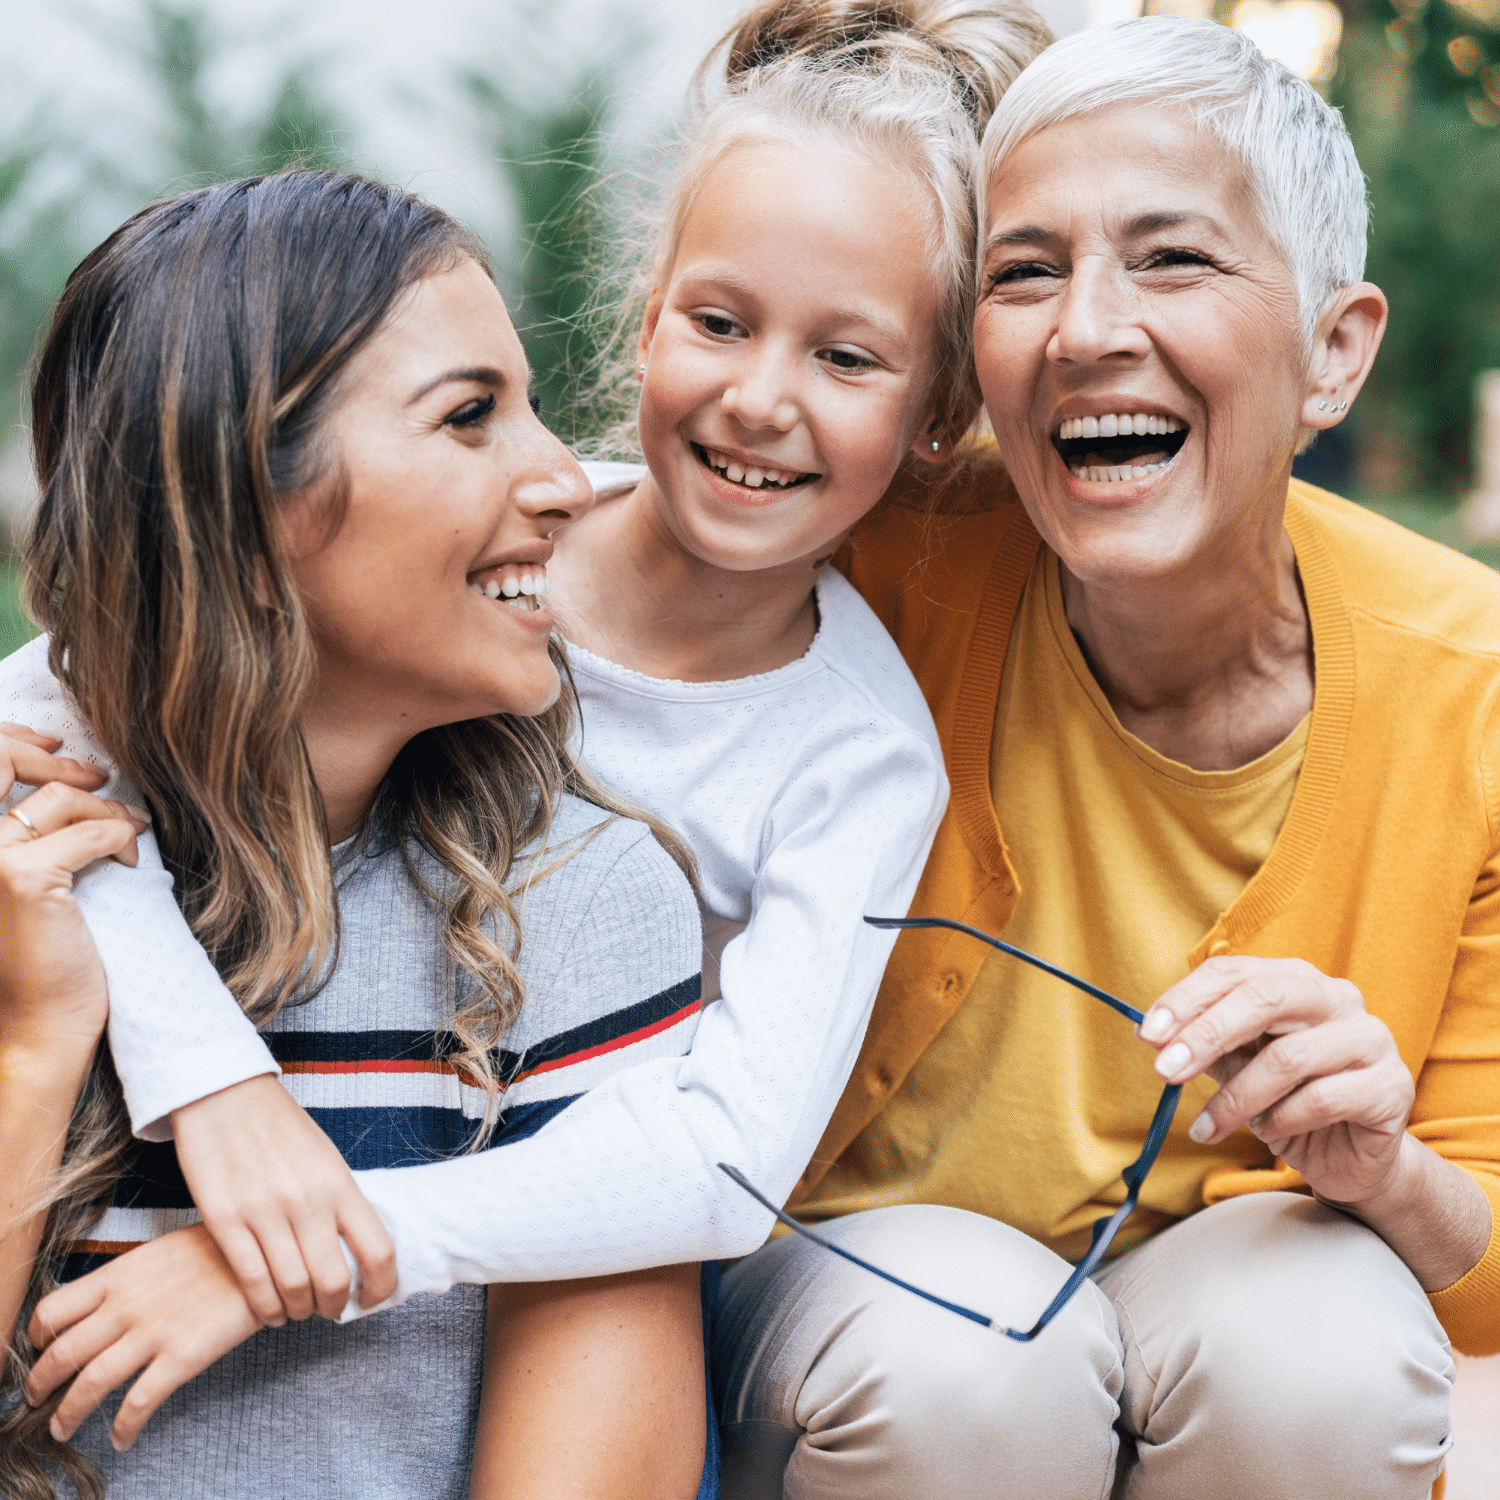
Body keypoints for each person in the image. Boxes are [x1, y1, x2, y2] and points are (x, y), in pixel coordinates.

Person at [3, 0, 1052, 1474]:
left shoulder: (820, 771)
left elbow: (706, 1165)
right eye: (719, 323)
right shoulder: (497, 564)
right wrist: (187, 1064)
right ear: (647, 320)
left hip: (586, 1208)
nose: (761, 398)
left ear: (940, 416)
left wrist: (305, 1241)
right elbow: (63, 696)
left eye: (851, 360)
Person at [711, 17, 1500, 1500]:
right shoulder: (863, 561)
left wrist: (1383, 1164)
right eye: (1023, 271)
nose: (1084, 329)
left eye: (1173, 259)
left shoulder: (1475, 688)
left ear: (1337, 350)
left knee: (1319, 1352)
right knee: (977, 1363)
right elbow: (573, 564)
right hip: (860, 1297)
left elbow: (1488, 1281)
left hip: (1228, 1282)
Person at [0, 170, 711, 1500]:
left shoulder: (576, 905)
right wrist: (37, 1047)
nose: (564, 479)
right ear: (240, 499)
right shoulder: (20, 887)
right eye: (470, 417)